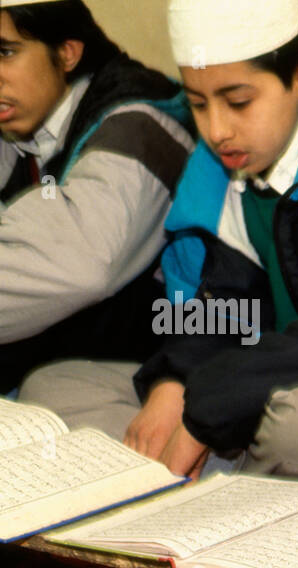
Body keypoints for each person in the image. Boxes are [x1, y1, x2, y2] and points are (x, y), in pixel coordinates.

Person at [21, 0, 298, 479]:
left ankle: (210, 462)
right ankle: (223, 470)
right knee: (53, 387)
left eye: (239, 102)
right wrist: (176, 381)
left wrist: (212, 400)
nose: (217, 130)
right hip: (243, 382)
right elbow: (223, 306)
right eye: (198, 104)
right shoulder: (219, 174)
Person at [0, 0, 193, 395]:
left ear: (67, 52)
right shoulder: (22, 119)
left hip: (147, 372)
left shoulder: (140, 126)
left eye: (5, 52)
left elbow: (80, 265)